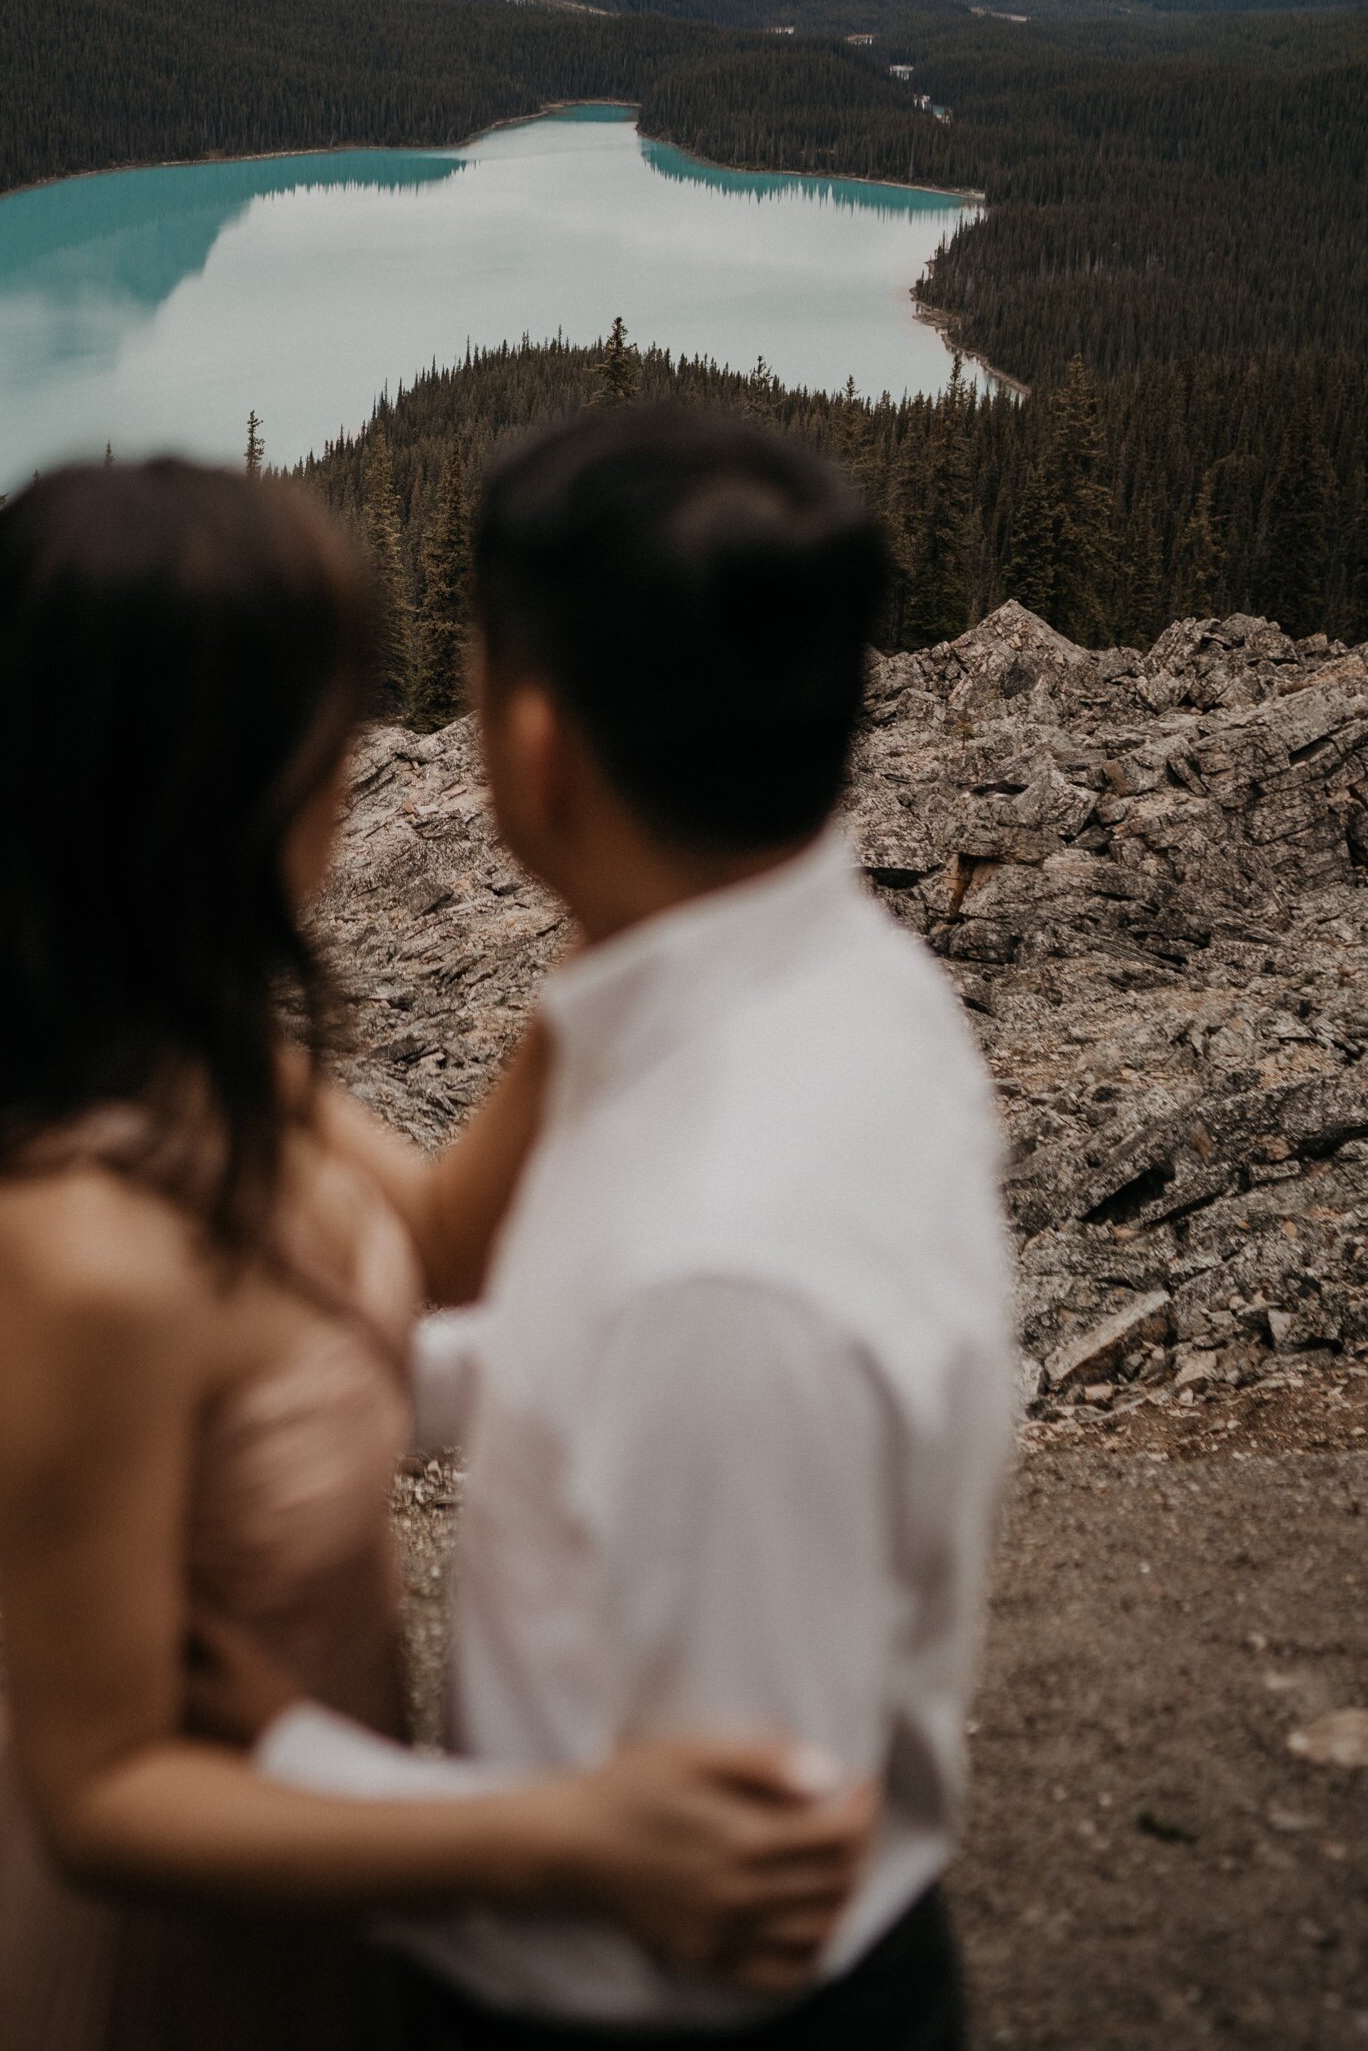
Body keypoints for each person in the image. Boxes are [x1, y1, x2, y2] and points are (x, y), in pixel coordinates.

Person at [0, 457, 875, 2051]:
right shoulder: (69, 1248)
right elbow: (104, 1789)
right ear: (187, 777)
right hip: (149, 1973)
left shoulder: (201, 1048)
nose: (359, 763)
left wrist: (631, 896)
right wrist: (568, 1837)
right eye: (320, 723)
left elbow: (436, 1250)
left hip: (330, 1873)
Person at [255, 405, 1018, 2049]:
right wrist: (337, 1392)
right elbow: (583, 1379)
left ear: (536, 750)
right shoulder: (845, 985)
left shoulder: (720, 1274)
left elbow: (702, 1895)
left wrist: (263, 1751)